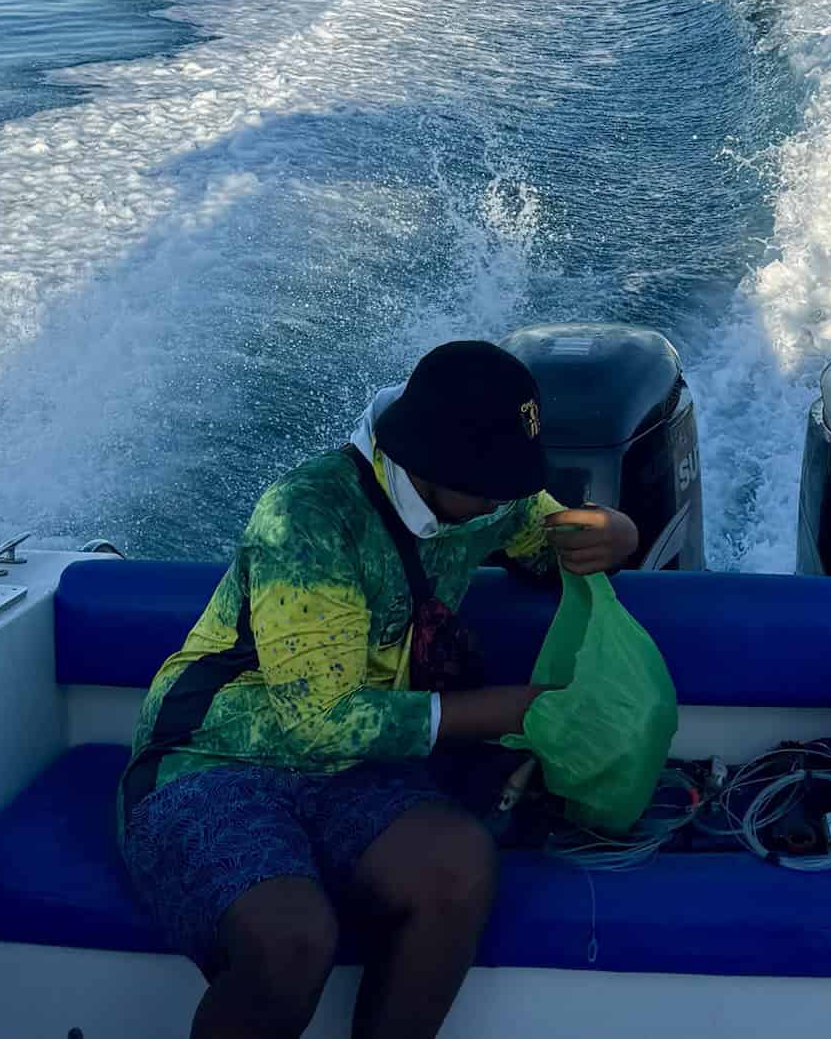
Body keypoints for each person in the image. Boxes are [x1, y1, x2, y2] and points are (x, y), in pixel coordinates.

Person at [120, 340, 641, 1039]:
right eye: (486, 480)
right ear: (425, 462)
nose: (503, 497)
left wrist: (617, 532)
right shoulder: (305, 515)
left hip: (357, 774)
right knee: (291, 938)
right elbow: (319, 723)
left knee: (456, 868)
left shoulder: (482, 498)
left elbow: (541, 536)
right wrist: (520, 709)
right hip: (213, 760)